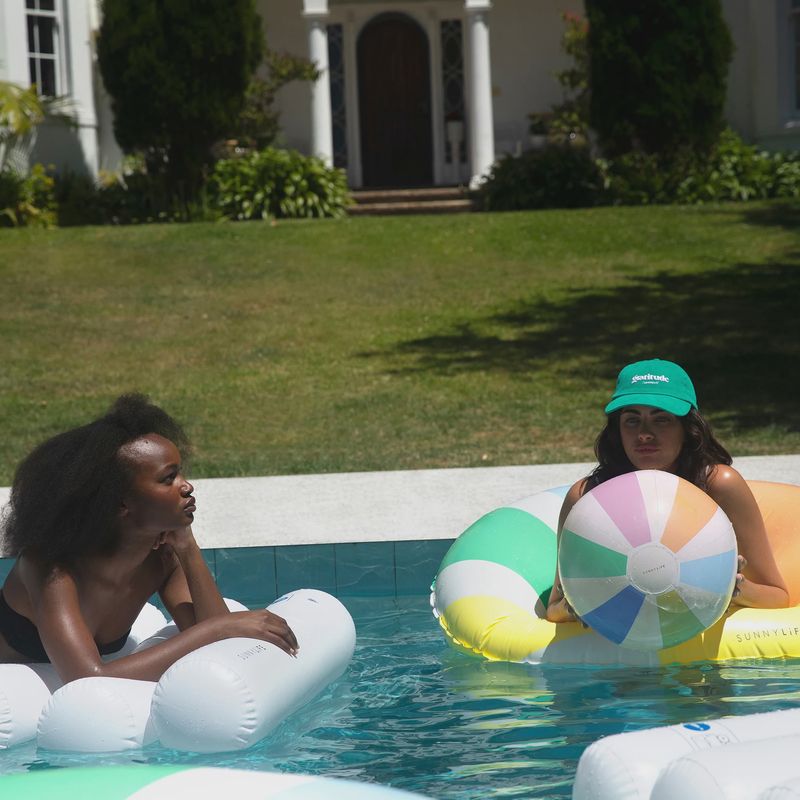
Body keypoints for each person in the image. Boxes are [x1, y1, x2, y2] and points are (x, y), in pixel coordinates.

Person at [0, 394, 298, 683]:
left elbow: (218, 647)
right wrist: (222, 627)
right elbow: (88, 677)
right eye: (168, 478)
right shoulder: (50, 568)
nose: (187, 486)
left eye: (180, 473)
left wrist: (187, 547)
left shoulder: (160, 559)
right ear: (120, 503)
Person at [546, 359, 789, 623]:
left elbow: (777, 596)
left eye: (661, 419)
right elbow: (555, 609)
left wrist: (733, 587)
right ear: (617, 430)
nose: (645, 434)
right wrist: (581, 601)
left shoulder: (719, 486)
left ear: (688, 429)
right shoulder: (586, 497)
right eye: (631, 420)